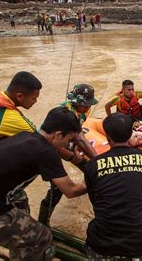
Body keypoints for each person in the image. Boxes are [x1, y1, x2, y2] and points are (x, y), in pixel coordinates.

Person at [0, 107, 87, 260]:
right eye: (69, 140)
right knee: (42, 236)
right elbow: (71, 191)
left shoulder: (26, 136)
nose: (67, 145)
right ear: (58, 134)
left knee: (22, 202)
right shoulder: (45, 152)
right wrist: (94, 178)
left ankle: (18, 244)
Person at [84, 113, 142, 259]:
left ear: (108, 137)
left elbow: (95, 201)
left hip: (101, 243)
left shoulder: (92, 165)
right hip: (140, 243)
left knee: (93, 227)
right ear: (130, 135)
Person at [38, 84, 98, 226]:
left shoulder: (83, 111)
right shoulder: (65, 114)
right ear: (78, 103)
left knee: (92, 170)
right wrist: (71, 156)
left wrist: (98, 162)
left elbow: (79, 137)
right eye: (86, 105)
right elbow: (52, 143)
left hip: (65, 142)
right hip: (48, 148)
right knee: (57, 189)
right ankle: (42, 223)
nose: (88, 107)